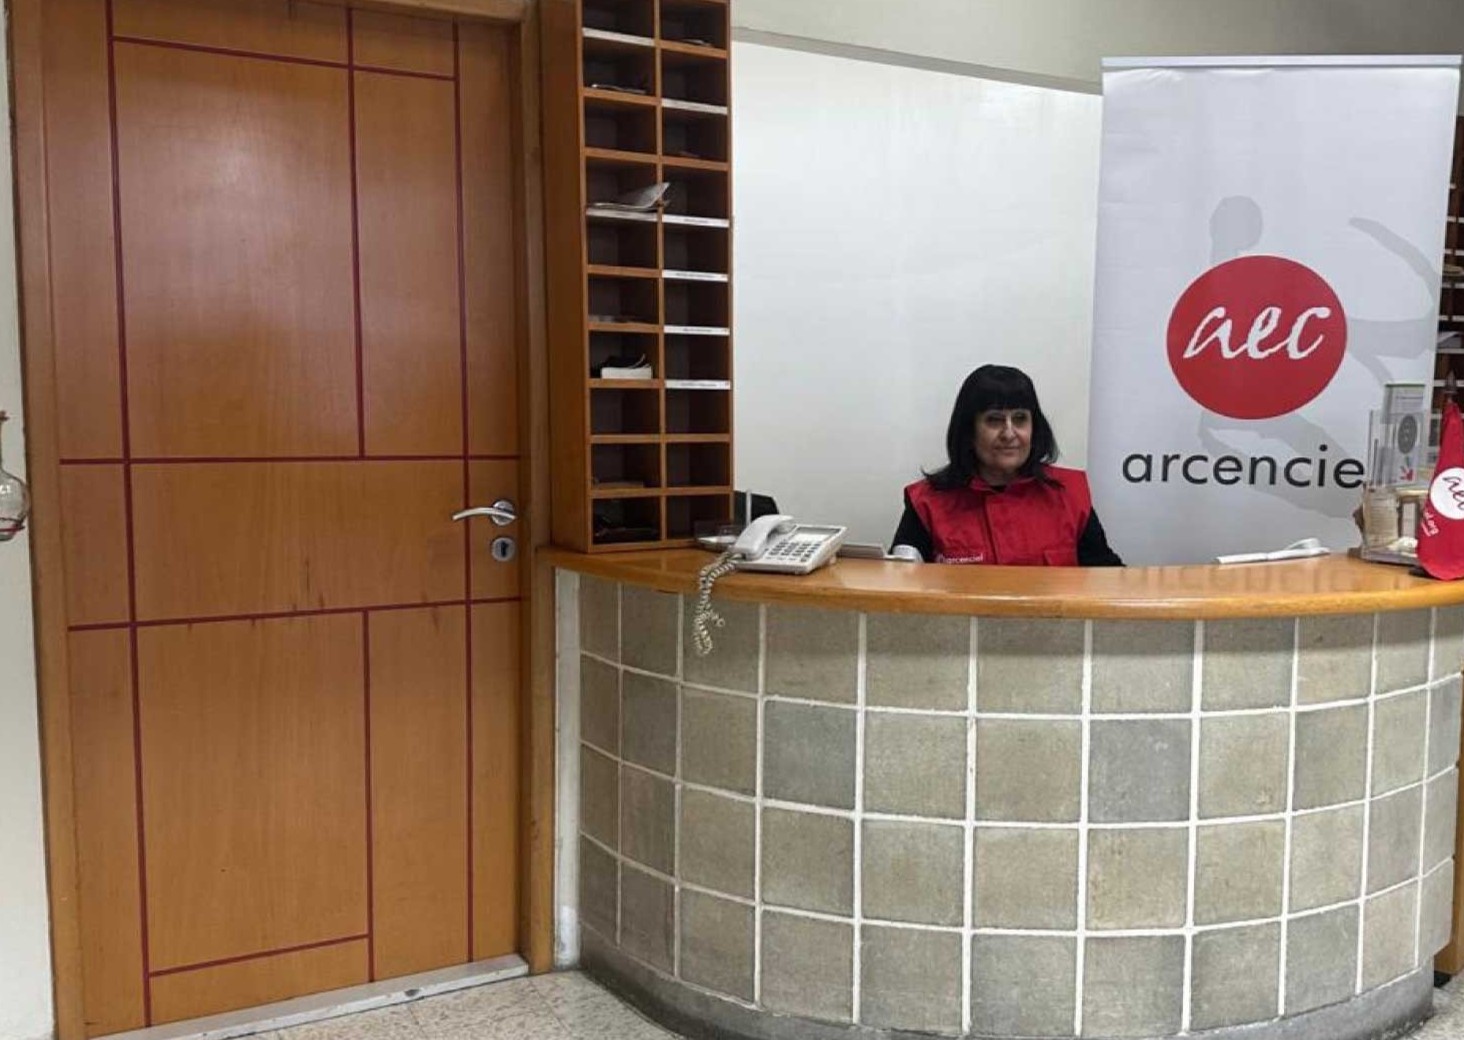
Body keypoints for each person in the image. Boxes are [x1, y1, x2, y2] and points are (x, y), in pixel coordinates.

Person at [892, 364, 1123, 566]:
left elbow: (1107, 583)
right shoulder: (926, 503)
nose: (1009, 433)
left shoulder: (1070, 494)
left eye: (1020, 419)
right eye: (994, 420)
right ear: (969, 431)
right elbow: (898, 590)